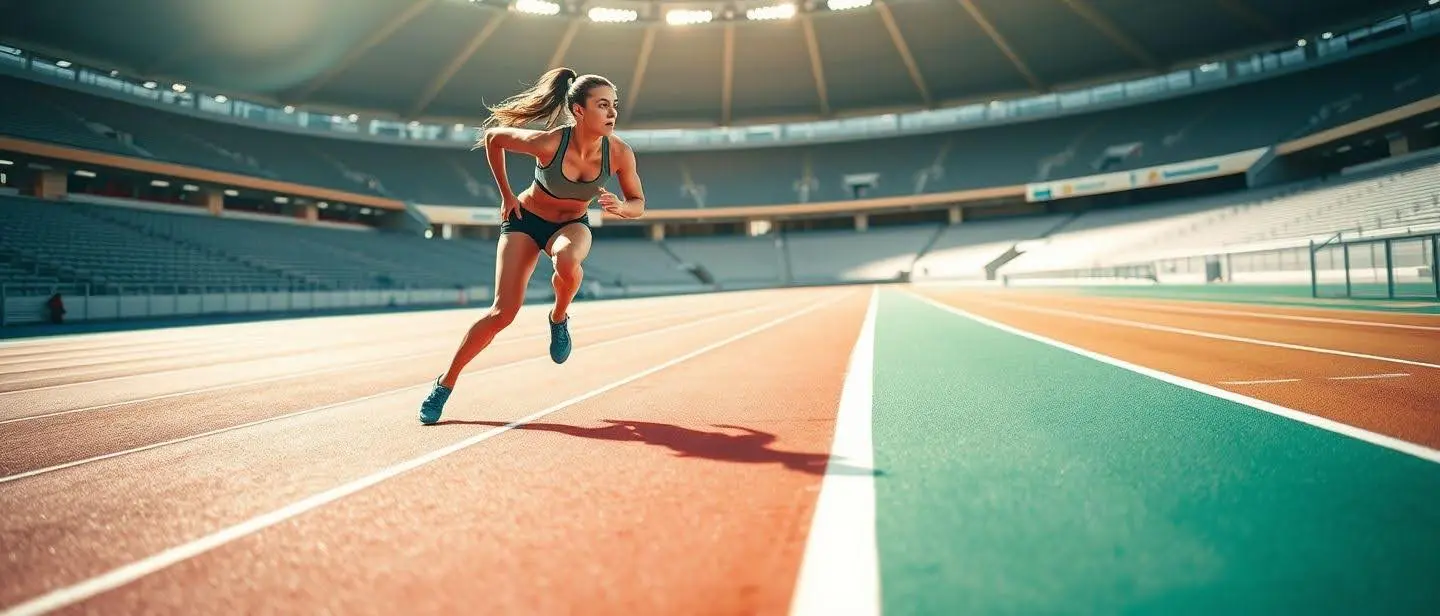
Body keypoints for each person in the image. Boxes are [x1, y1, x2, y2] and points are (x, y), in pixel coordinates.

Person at [418, 67, 647, 425]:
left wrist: (623, 208)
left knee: (568, 259)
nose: (613, 113)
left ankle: (558, 318)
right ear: (579, 111)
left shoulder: (619, 153)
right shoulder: (550, 143)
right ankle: (444, 385)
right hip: (525, 222)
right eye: (603, 105)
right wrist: (507, 194)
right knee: (502, 313)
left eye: (614, 105)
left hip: (572, 224)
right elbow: (494, 138)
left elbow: (638, 202)